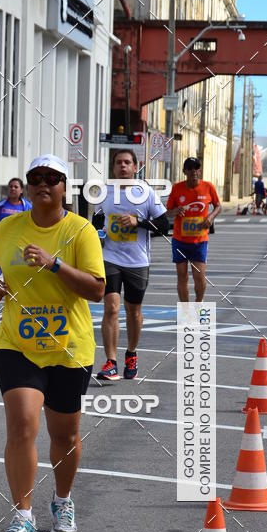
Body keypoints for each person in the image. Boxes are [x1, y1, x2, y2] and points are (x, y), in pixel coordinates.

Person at [0, 154, 105, 532]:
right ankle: (23, 517)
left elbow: (97, 289)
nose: (42, 184)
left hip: (70, 348)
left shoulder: (79, 231)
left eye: (52, 178)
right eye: (35, 178)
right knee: (22, 425)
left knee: (64, 435)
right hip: (17, 344)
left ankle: (62, 501)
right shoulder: (9, 227)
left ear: (66, 187)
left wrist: (54, 265)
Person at [92, 148, 169, 381]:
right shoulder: (104, 193)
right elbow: (95, 221)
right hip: (110, 258)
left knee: (133, 311)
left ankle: (131, 354)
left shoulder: (145, 193)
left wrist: (139, 222)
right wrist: (98, 233)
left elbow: (165, 225)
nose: (123, 166)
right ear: (113, 167)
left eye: (127, 162)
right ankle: (110, 362)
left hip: (137, 261)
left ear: (136, 167)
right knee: (111, 308)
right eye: (118, 163)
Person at [165, 156, 221, 302]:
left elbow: (218, 206)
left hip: (199, 241)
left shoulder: (208, 187)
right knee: (182, 276)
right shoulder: (177, 188)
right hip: (179, 240)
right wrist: (176, 210)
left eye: (196, 167)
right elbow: (168, 211)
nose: (193, 171)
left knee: (199, 277)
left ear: (200, 170)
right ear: (184, 171)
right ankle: (185, 310)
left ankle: (198, 303)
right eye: (189, 168)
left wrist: (211, 217)